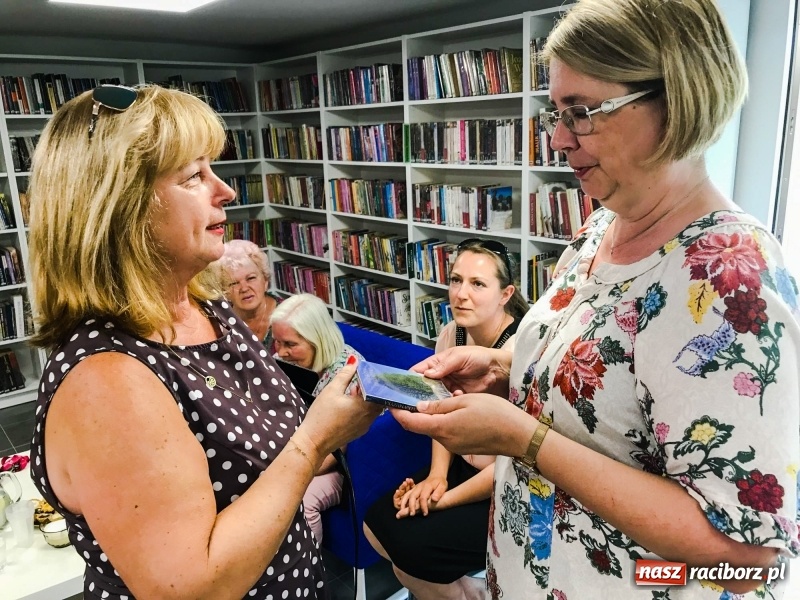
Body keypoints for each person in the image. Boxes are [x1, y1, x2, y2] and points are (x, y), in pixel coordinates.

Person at [391, 1, 800, 598]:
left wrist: (524, 440)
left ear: (677, 99)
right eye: (555, 113)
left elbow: (749, 558)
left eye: (581, 113)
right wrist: (503, 370)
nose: (558, 139)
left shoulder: (730, 280)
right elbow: (614, 387)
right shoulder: (596, 232)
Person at [26, 84, 380, 600]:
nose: (226, 191)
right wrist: (315, 440)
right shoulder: (105, 379)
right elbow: (190, 588)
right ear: (122, 206)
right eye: (194, 175)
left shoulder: (207, 308)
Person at [364, 239, 528, 600]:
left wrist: (445, 499)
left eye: (478, 284)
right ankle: (470, 591)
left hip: (505, 481)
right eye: (456, 280)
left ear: (506, 294)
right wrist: (437, 476)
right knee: (377, 526)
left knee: (412, 551)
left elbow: (513, 458)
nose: (461, 294)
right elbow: (442, 411)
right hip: (462, 464)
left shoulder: (523, 351)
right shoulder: (450, 333)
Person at [270, 293, 365, 543]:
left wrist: (286, 470)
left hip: (346, 465)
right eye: (276, 342)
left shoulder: (346, 375)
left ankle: (310, 575)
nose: (280, 352)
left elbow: (335, 452)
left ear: (317, 340)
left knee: (300, 500)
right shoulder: (292, 360)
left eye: (290, 344)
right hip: (304, 445)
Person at [210, 239, 282, 352]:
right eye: (233, 283)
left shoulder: (290, 316)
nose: (244, 288)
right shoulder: (219, 321)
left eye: (251, 278)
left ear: (265, 280)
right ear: (224, 291)